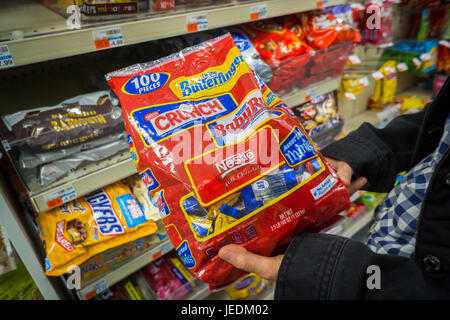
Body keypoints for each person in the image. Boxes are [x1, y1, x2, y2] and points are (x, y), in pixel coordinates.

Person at [218, 77, 450, 299]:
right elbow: (439, 125)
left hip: (391, 277)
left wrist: (330, 275)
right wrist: (360, 153)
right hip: (386, 245)